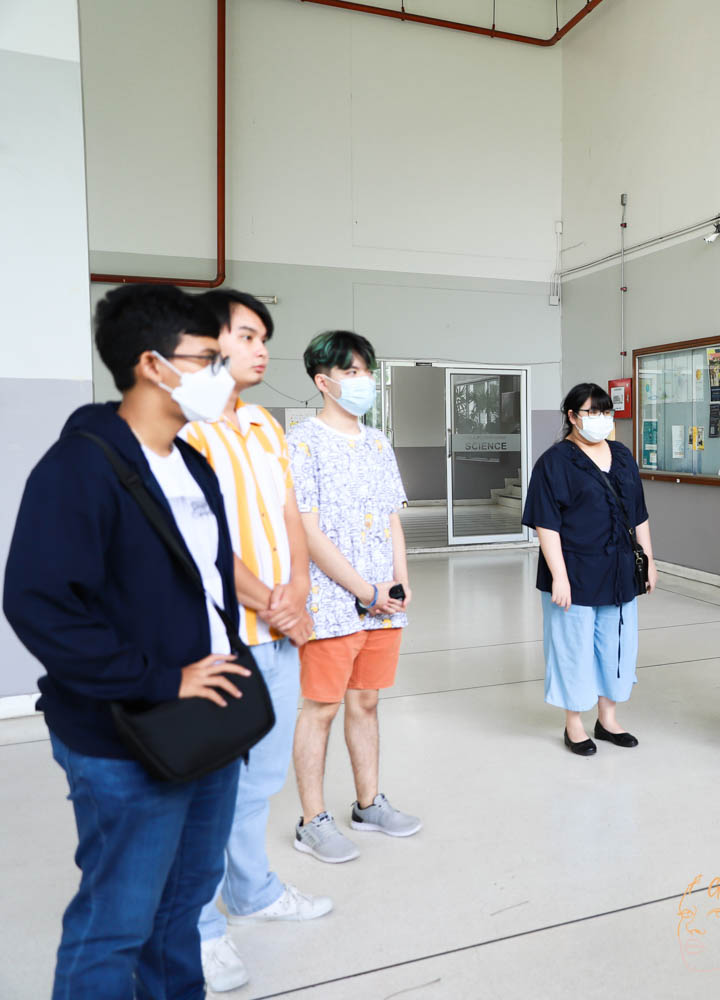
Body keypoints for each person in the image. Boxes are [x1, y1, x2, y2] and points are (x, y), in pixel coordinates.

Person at [3, 284, 250, 998]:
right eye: (207, 359)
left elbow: (203, 585)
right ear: (152, 364)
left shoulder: (192, 463)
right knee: (117, 919)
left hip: (207, 722)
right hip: (124, 734)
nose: (224, 374)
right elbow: (38, 604)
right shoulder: (78, 468)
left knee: (184, 905)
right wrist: (161, 679)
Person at [181, 290, 331, 992]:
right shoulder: (180, 427)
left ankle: (252, 891)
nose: (261, 349)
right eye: (246, 335)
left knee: (260, 778)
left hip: (278, 634)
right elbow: (193, 539)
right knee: (206, 785)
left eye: (264, 337)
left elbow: (289, 515)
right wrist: (275, 605)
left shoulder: (265, 424)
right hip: (217, 638)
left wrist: (298, 588)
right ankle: (196, 928)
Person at [287, 330, 421, 864]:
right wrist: (365, 591)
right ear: (324, 382)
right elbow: (308, 531)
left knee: (366, 701)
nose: (364, 380)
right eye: (352, 372)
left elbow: (392, 518)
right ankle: (311, 821)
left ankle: (368, 805)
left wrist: (399, 581)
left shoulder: (378, 443)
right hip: (331, 602)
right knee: (320, 708)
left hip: (384, 602)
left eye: (367, 371)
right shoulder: (302, 442)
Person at [520, 383, 657, 756]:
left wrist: (649, 560)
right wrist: (560, 577)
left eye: (606, 412)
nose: (601, 419)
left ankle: (607, 719)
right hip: (575, 569)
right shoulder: (554, 462)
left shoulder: (622, 455)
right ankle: (574, 725)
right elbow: (546, 524)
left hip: (619, 569)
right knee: (573, 648)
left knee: (616, 647)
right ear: (572, 416)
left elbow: (639, 512)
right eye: (592, 412)